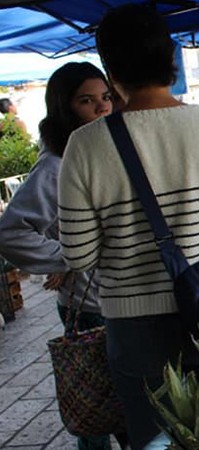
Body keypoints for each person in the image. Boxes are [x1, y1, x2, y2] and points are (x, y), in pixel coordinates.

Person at [57, 5, 199, 449]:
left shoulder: (86, 145)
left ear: (110, 69)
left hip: (136, 333)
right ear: (171, 57)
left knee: (154, 439)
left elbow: (78, 255)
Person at [0, 62, 126, 450]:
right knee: (94, 415)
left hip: (119, 301)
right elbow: (12, 231)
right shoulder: (57, 164)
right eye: (87, 101)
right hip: (90, 307)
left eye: (105, 98)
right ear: (65, 107)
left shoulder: (106, 148)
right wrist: (72, 255)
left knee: (126, 409)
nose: (101, 108)